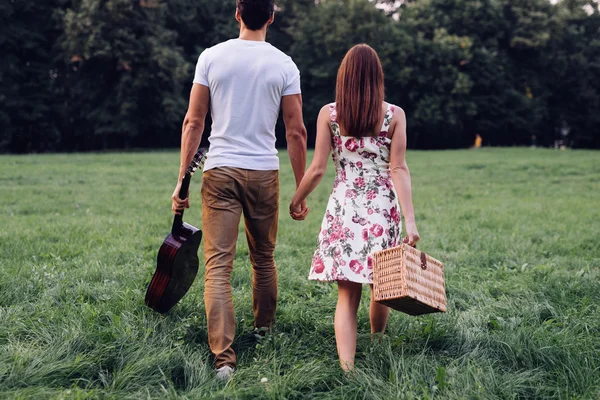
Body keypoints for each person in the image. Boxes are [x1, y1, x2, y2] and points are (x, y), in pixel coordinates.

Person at [171, 0, 308, 381]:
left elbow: (193, 122)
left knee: (218, 267)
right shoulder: (284, 64)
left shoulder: (211, 58)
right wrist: (301, 189)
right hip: (264, 172)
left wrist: (181, 180)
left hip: (220, 171)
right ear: (271, 17)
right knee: (263, 258)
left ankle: (224, 361)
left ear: (237, 14)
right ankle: (263, 333)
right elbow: (296, 130)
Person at [289, 44, 420, 371]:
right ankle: (377, 341)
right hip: (381, 209)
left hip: (344, 209)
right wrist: (411, 221)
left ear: (343, 77)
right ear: (378, 78)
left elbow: (318, 168)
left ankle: (347, 370)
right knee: (382, 285)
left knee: (347, 296)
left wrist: (297, 198)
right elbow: (398, 168)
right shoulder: (394, 115)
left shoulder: (329, 115)